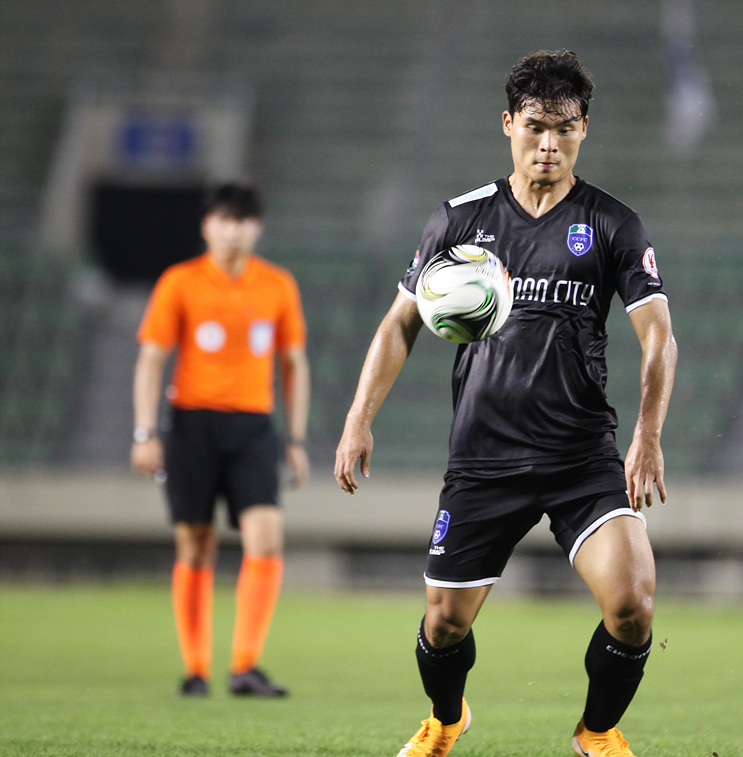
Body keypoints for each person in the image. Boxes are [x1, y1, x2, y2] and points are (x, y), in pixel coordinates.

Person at [335, 49, 677, 757]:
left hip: (581, 456)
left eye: (564, 129)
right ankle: (446, 719)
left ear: (584, 130)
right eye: (534, 127)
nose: (548, 144)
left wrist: (648, 435)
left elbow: (659, 338)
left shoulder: (613, 224)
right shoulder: (459, 221)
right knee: (444, 625)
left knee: (634, 606)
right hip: (485, 456)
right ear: (507, 125)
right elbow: (399, 325)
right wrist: (358, 418)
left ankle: (597, 731)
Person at [131, 182, 310, 698]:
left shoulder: (277, 284)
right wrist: (145, 432)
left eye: (243, 220)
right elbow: (152, 357)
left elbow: (294, 363)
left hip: (253, 425)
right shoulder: (180, 282)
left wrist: (296, 438)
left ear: (257, 228)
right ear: (207, 226)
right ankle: (196, 668)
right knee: (196, 543)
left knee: (266, 537)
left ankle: (245, 666)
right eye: (225, 220)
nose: (234, 231)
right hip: (191, 425)